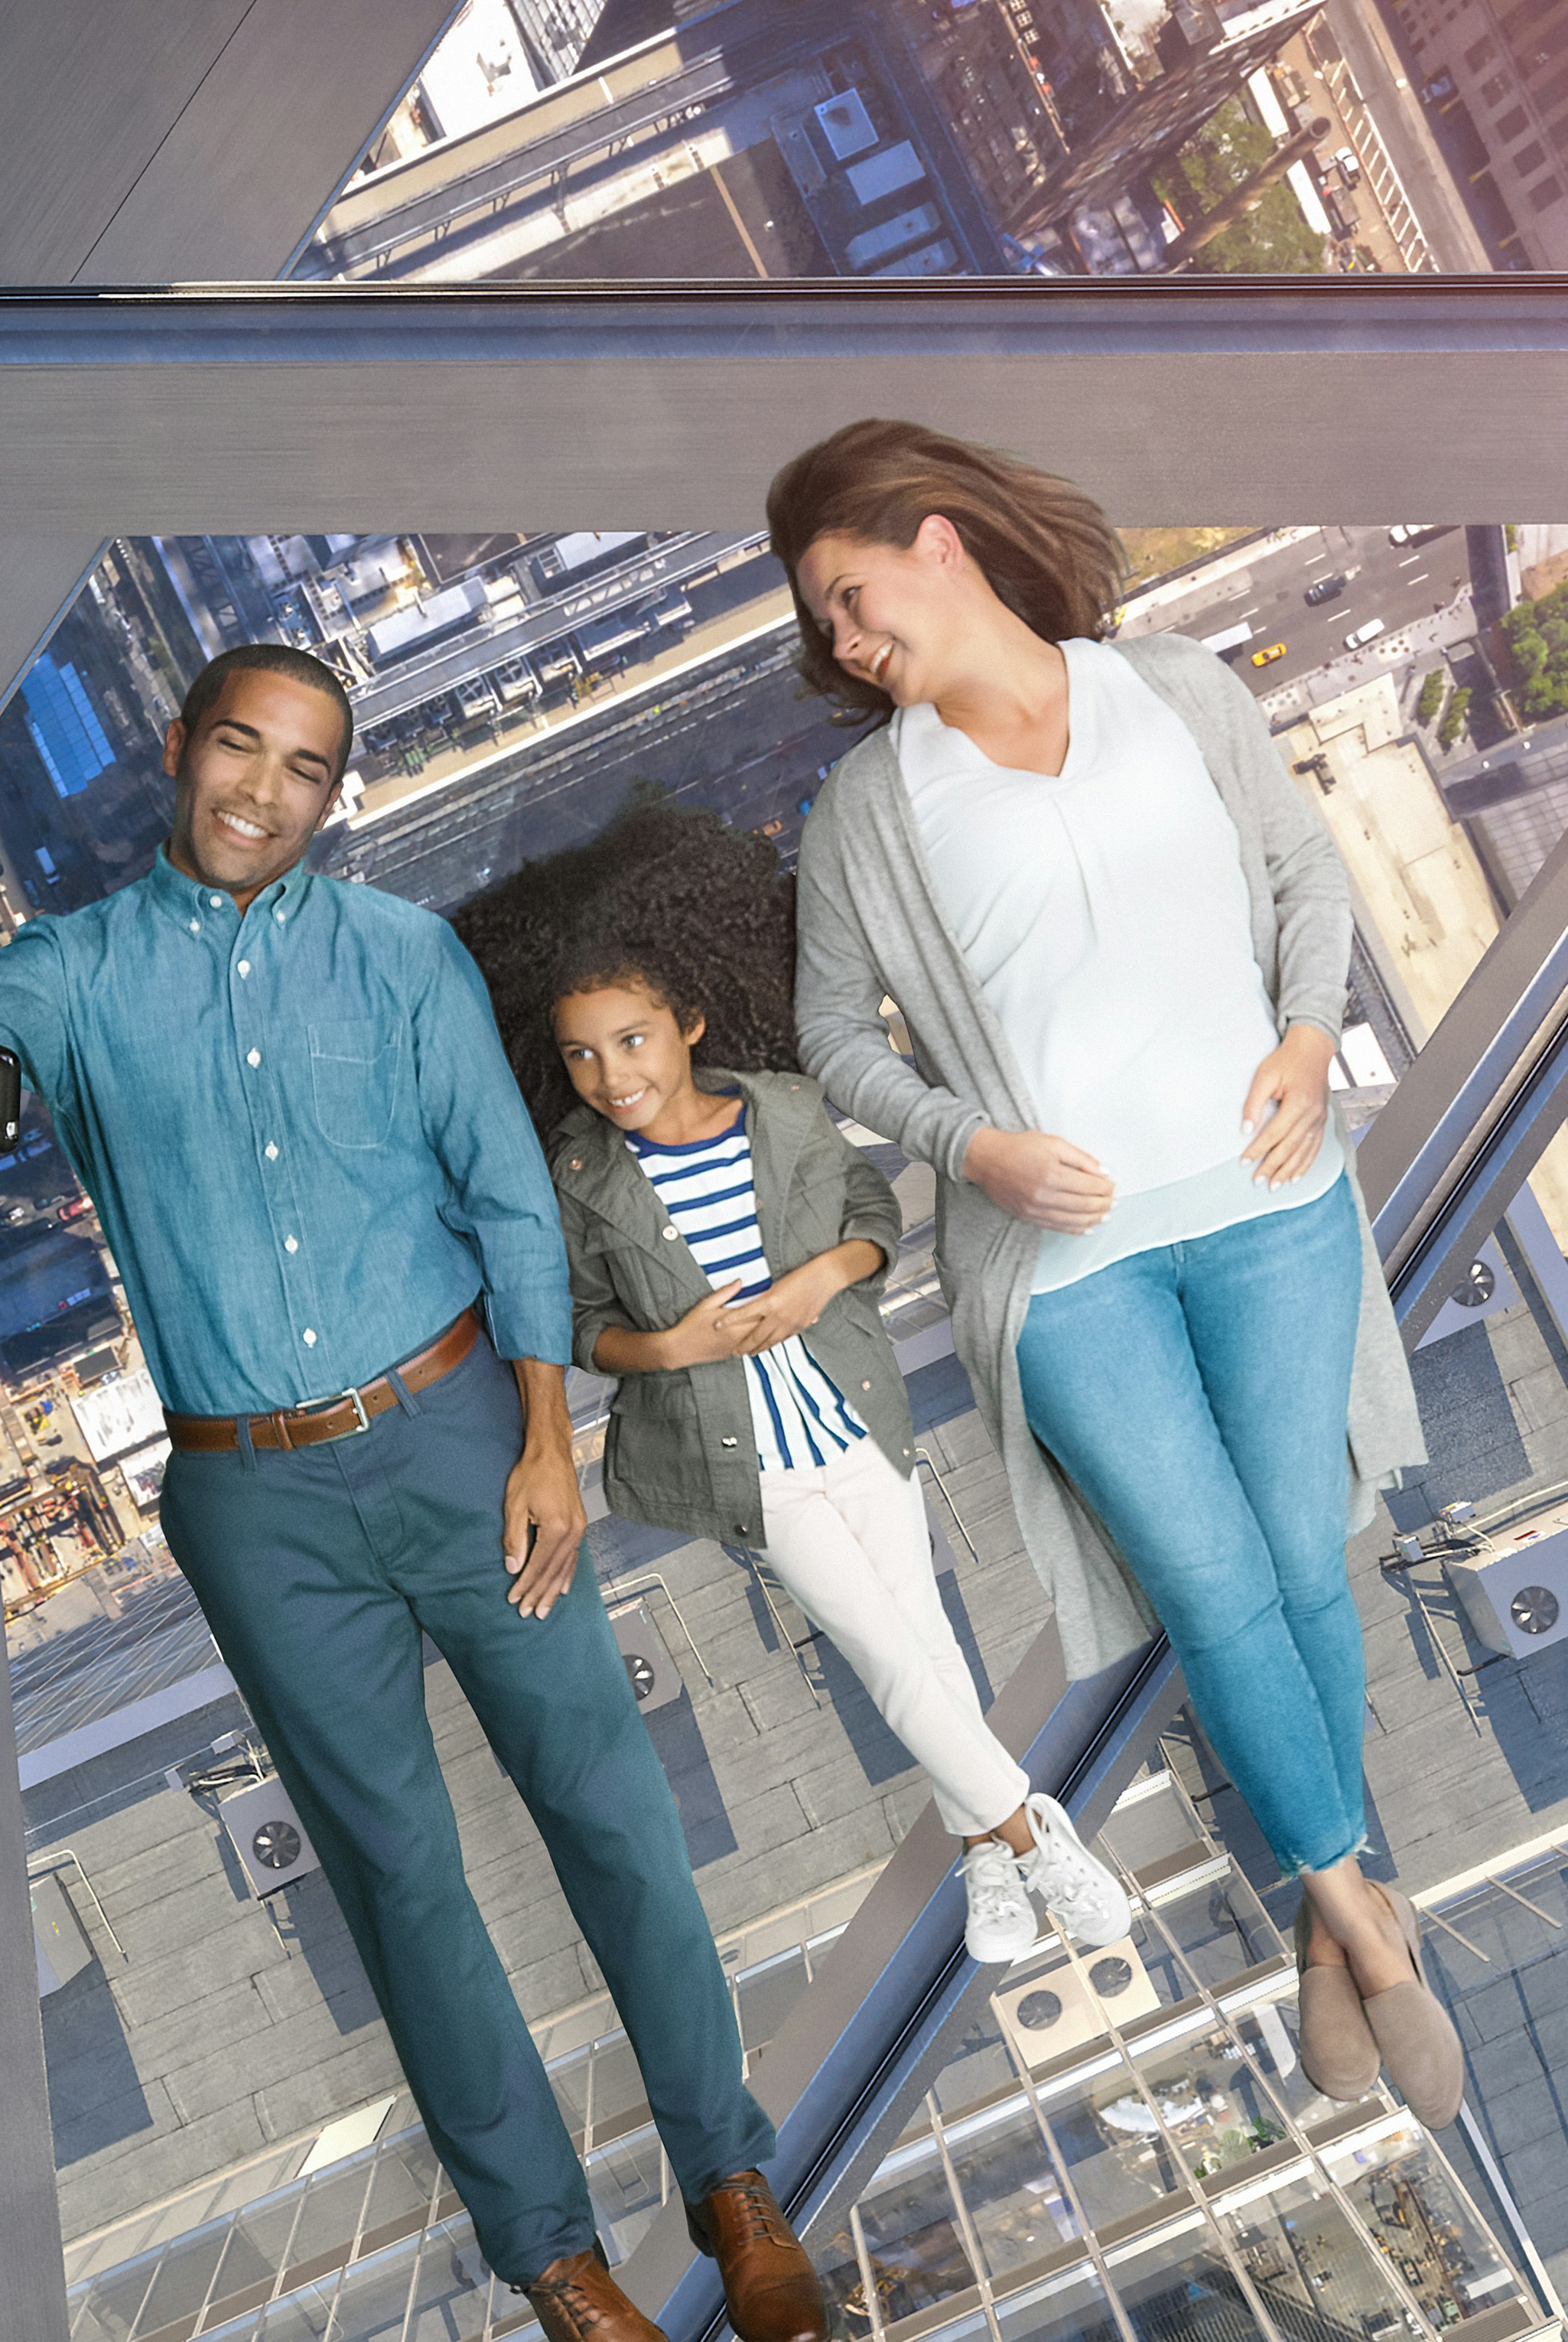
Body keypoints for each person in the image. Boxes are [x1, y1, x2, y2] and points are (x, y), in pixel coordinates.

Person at [0, 643, 826, 2342]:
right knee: (399, 1882)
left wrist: (550, 1443)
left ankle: (729, 2179)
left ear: (336, 796)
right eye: (239, 750)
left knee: (612, 1815)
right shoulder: (79, 977)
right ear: (182, 756)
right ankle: (556, 2262)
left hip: (459, 1435)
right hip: (256, 1504)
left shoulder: (403, 960)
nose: (264, 789)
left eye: (307, 767)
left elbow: (510, 1198)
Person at [767, 422, 1462, 2129]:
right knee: (1216, 1582)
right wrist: (973, 1149)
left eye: (852, 600)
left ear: (939, 542)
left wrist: (1309, 1036)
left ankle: (1328, 1907)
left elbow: (1300, 868)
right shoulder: (872, 804)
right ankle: (1366, 1924)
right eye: (828, 632)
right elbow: (831, 1042)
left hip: (1268, 1195)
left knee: (1302, 1552)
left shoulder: (1174, 688)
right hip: (1062, 1265)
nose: (848, 649)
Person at [446, 801, 1135, 1965]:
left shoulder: (785, 1112)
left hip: (853, 1418)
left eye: (633, 1039)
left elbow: (871, 1219)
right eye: (581, 1053)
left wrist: (820, 1283)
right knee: (882, 1652)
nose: (610, 1074)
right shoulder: (577, 1177)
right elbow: (573, 1320)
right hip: (744, 1462)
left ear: (689, 1020)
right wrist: (665, 1353)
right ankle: (1035, 1831)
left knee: (925, 1649)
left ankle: (985, 1858)